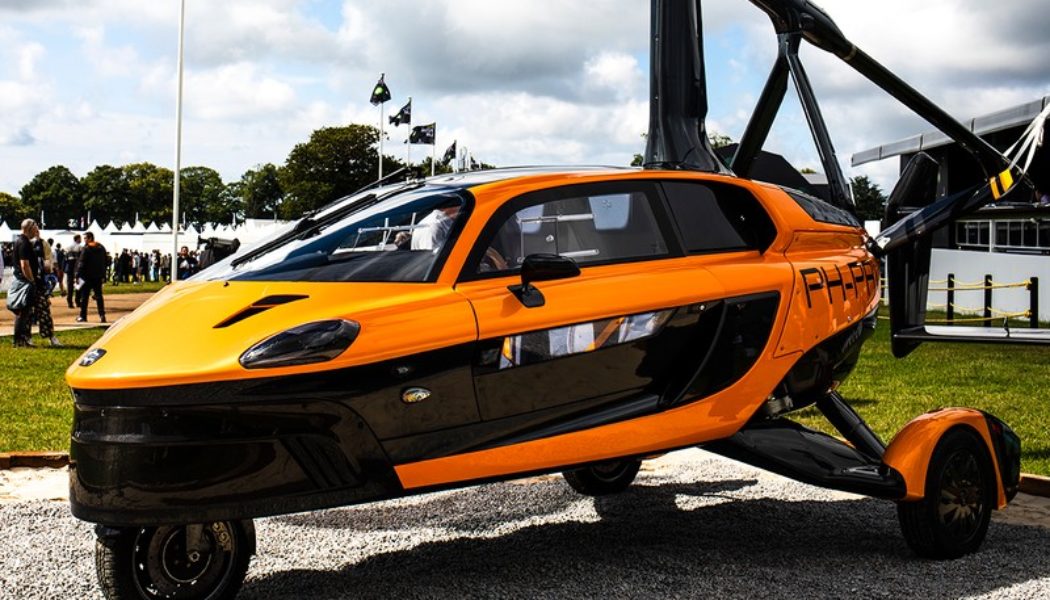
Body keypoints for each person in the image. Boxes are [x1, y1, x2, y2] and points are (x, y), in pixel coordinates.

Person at [10, 219, 41, 347]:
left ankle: (22, 339)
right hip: (25, 281)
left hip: (23, 279)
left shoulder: (21, 241)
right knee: (23, 311)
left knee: (25, 312)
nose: (37, 229)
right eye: (35, 226)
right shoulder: (24, 242)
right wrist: (31, 280)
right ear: (29, 227)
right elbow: (24, 264)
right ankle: (19, 340)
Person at [30, 234, 61, 346]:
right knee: (39, 312)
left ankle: (49, 336)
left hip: (36, 283)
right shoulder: (27, 244)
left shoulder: (38, 244)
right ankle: (50, 337)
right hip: (33, 284)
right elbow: (48, 267)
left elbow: (48, 267)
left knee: (40, 311)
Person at [76, 231, 107, 323]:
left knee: (85, 297)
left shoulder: (86, 248)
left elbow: (81, 262)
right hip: (98, 276)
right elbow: (106, 261)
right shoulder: (101, 247)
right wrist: (103, 274)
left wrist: (77, 274)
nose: (84, 240)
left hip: (87, 276)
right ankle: (102, 315)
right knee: (99, 296)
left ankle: (83, 316)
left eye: (85, 238)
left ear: (90, 238)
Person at [64, 234, 82, 308]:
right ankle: (77, 301)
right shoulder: (79, 247)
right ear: (77, 239)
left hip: (69, 268)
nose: (81, 240)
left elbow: (65, 259)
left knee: (70, 286)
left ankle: (70, 302)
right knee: (78, 285)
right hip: (76, 268)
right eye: (80, 239)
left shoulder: (68, 247)